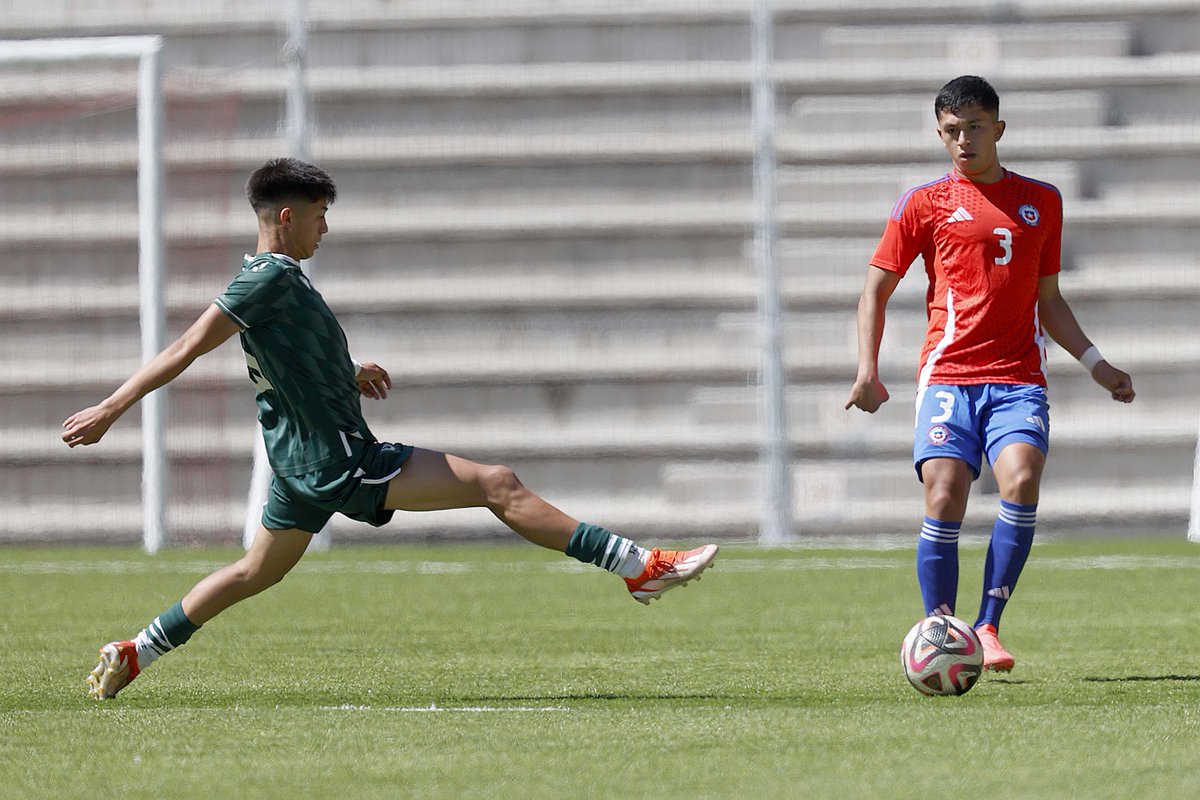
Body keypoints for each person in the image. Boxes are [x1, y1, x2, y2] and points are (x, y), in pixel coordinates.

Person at [64, 157, 719, 700]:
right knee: (498, 483)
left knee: (252, 573)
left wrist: (345, 372)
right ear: (287, 218)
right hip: (340, 459)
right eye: (319, 217)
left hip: (299, 467)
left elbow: (282, 358)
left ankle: (136, 649)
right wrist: (111, 409)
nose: (326, 230)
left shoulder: (282, 282)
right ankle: (639, 565)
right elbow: (185, 348)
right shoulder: (264, 281)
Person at [844, 76, 1134, 672]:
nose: (964, 140)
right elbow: (875, 290)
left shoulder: (1043, 200)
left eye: (974, 127)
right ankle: (941, 624)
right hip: (949, 374)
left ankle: (989, 624)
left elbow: (1048, 299)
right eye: (952, 131)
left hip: (1018, 378)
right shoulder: (922, 203)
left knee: (1022, 480)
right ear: (940, 134)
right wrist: (867, 371)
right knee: (945, 493)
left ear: (998, 129)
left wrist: (1097, 364)